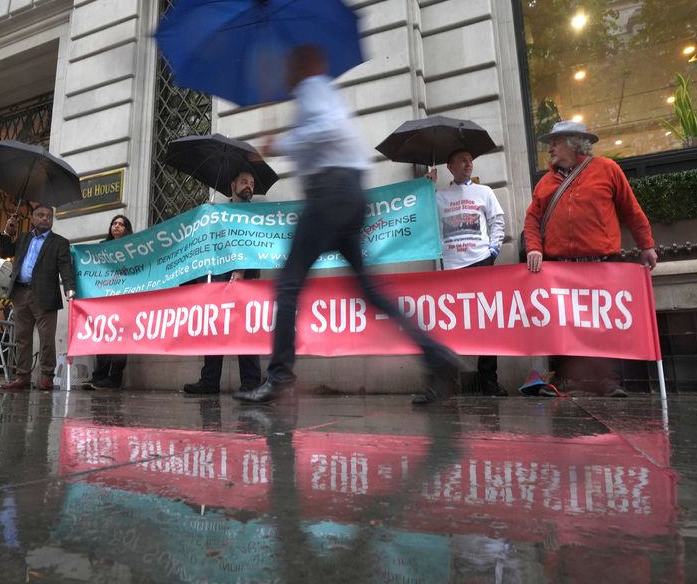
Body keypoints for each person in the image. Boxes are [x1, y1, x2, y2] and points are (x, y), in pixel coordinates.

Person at [234, 45, 466, 405]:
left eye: (292, 64)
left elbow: (323, 131)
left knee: (288, 285)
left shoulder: (313, 90)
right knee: (369, 292)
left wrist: (279, 142)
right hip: (346, 195)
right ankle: (437, 356)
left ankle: (280, 376)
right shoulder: (321, 93)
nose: (287, 73)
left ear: (305, 64)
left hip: (330, 195)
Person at [524, 120, 657, 397]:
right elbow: (532, 219)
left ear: (574, 143)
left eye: (556, 142)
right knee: (563, 325)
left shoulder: (607, 169)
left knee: (603, 324)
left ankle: (608, 382)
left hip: (601, 262)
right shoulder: (545, 183)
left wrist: (647, 245)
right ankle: (566, 379)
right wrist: (534, 248)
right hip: (560, 267)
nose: (550, 149)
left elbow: (631, 211)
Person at [427, 149, 508, 397]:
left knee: (487, 323)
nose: (468, 164)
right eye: (462, 160)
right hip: (451, 267)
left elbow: (497, 221)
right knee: (450, 327)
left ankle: (488, 380)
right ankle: (447, 380)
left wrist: (493, 250)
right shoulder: (438, 196)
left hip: (481, 263)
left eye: (470, 160)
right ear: (450, 166)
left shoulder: (484, 192)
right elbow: (424, 223)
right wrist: (425, 190)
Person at [183, 171, 263, 395]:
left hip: (246, 278)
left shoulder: (255, 213)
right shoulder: (217, 212)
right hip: (218, 275)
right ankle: (209, 381)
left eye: (252, 183)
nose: (249, 186)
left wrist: (241, 271)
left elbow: (254, 244)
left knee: (245, 329)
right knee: (215, 327)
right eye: (244, 182)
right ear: (233, 185)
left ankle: (251, 382)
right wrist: (207, 216)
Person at [0, 203, 76, 390]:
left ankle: (47, 376)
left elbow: (65, 267)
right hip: (21, 292)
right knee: (22, 337)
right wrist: (8, 233)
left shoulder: (60, 242)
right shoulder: (24, 238)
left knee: (46, 338)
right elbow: (7, 252)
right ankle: (22, 376)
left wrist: (70, 288)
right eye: (40, 215)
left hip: (46, 294)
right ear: (32, 218)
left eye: (49, 216)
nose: (45, 218)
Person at [85, 214, 133, 390]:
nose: (117, 226)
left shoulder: (133, 248)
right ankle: (99, 376)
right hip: (104, 300)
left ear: (127, 229)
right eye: (114, 223)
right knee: (103, 337)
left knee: (120, 339)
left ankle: (114, 379)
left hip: (124, 300)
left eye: (121, 224)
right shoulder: (101, 247)